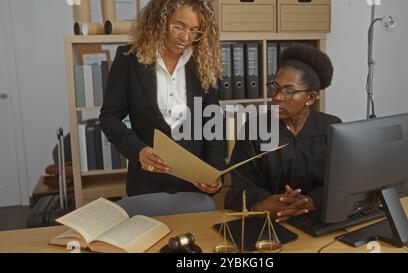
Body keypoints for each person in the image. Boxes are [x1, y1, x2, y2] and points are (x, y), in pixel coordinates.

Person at [100, 0, 225, 216]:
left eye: (194, 30)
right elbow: (109, 118)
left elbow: (212, 124)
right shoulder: (128, 58)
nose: (185, 38)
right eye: (178, 26)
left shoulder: (205, 65)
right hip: (145, 186)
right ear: (160, 18)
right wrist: (138, 151)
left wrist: (215, 173)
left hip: (193, 187)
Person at [225, 44, 342, 222]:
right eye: (275, 87)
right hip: (266, 221)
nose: (277, 96)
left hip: (317, 218)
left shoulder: (331, 128)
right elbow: (241, 184)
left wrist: (312, 201)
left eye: (288, 91)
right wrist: (266, 202)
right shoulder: (255, 128)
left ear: (310, 98)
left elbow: (339, 181)